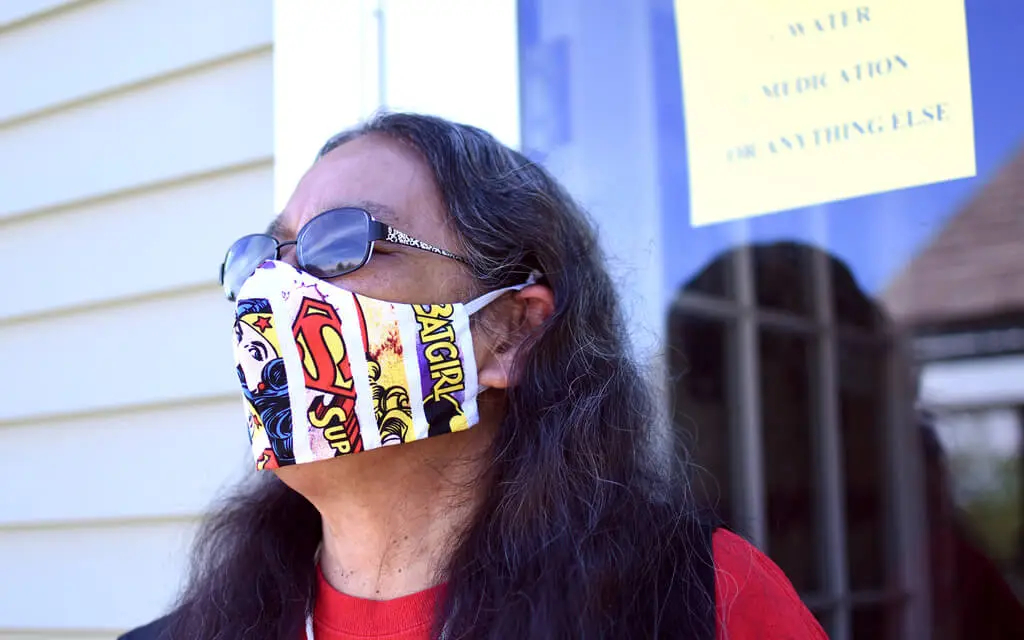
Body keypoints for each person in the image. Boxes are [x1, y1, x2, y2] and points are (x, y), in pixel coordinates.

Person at [121, 113, 825, 639]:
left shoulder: (705, 603)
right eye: (260, 258)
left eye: (343, 242)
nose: (273, 293)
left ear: (511, 331)